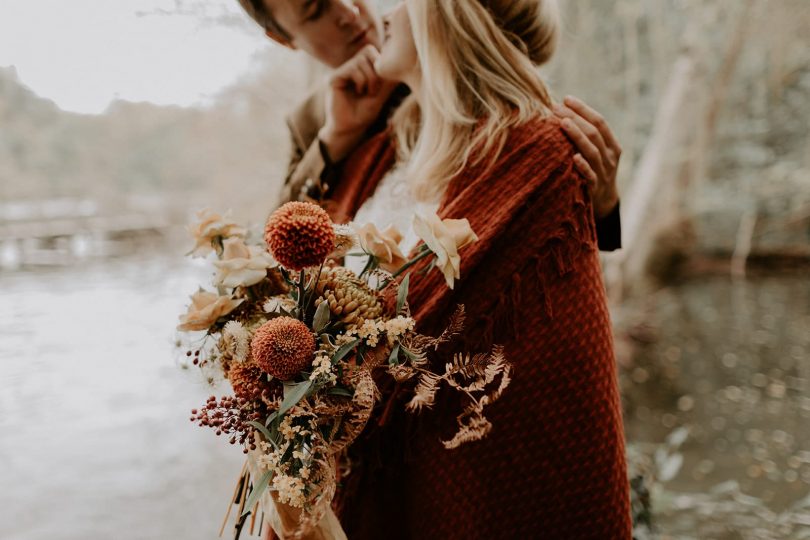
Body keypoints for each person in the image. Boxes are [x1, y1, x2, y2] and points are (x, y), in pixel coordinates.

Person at [327, 0, 632, 537]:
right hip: (346, 472)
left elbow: (550, 369)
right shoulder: (377, 145)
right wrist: (336, 140)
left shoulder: (537, 151)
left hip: (456, 487)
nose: (385, 11)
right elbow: (304, 261)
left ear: (443, 13)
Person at [236, 0, 623, 251]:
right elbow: (275, 245)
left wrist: (600, 206)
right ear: (283, 39)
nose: (350, 12)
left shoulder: (452, 29)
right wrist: (336, 138)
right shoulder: (311, 120)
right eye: (317, 9)